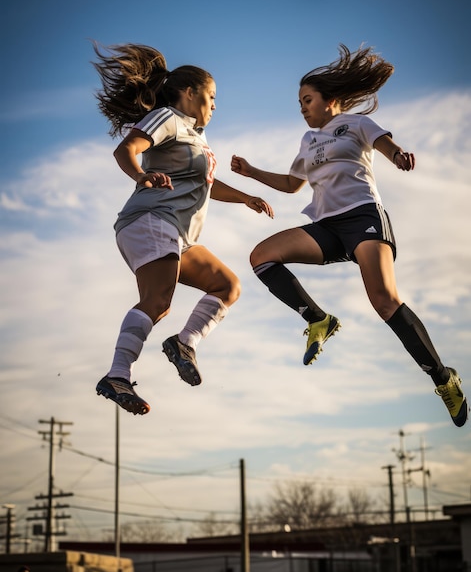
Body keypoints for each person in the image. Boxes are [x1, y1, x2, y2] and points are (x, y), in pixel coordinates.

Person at [231, 44, 468, 427]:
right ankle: (318, 320)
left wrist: (398, 156)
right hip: (327, 227)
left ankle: (443, 378)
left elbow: (383, 144)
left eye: (307, 99)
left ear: (331, 101)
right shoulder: (307, 143)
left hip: (363, 218)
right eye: (299, 102)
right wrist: (251, 172)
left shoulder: (356, 124)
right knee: (261, 256)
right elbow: (293, 184)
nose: (302, 107)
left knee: (385, 301)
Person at [92, 43, 273, 415]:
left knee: (227, 285)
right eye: (211, 96)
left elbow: (207, 183)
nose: (215, 105)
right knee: (157, 302)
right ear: (190, 93)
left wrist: (245, 198)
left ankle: (183, 344)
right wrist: (142, 175)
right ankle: (117, 374)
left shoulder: (196, 135)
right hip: (151, 219)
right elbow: (125, 150)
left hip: (177, 234)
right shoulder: (167, 117)